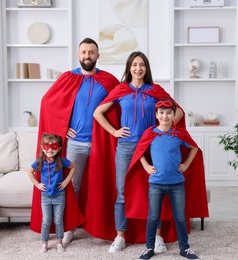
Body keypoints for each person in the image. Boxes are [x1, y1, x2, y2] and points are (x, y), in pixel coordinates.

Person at [91, 51, 184, 253]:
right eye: (134, 64)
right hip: (126, 147)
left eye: (142, 64)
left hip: (153, 147)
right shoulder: (121, 89)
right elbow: (98, 112)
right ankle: (120, 236)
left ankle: (158, 237)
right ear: (129, 67)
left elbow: (178, 111)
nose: (138, 68)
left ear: (146, 68)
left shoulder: (156, 90)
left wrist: (165, 125)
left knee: (156, 191)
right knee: (122, 191)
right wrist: (115, 131)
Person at [30, 38, 120, 245]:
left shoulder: (109, 80)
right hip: (75, 144)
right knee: (72, 186)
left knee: (101, 184)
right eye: (84, 52)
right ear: (78, 55)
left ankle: (101, 225)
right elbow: (48, 103)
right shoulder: (67, 78)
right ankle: (69, 228)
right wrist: (63, 126)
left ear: (98, 56)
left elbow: (122, 105)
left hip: (100, 143)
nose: (87, 56)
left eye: (91, 52)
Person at [135, 99, 199, 259]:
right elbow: (139, 151)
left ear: (173, 115)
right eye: (161, 113)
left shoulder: (179, 134)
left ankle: (184, 248)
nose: (165, 116)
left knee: (180, 216)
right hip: (156, 184)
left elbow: (194, 148)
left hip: (177, 183)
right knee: (153, 216)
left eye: (168, 112)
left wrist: (186, 164)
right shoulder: (150, 133)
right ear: (156, 115)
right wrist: (145, 166)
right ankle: (149, 248)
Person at [27, 134, 76, 253]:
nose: (50, 149)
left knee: (59, 220)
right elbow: (30, 171)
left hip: (59, 195)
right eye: (46, 146)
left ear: (59, 148)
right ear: (42, 147)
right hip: (45, 196)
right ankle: (44, 243)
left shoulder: (62, 160)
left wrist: (66, 181)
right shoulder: (40, 161)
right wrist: (37, 184)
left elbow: (73, 167)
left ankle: (59, 243)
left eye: (53, 146)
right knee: (46, 220)